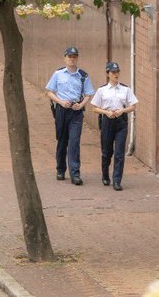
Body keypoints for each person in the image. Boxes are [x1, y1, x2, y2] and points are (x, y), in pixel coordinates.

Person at [45, 46, 95, 186]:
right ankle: (60, 169)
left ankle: (75, 173)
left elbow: (89, 94)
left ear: (77, 58)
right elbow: (49, 91)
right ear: (65, 58)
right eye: (69, 56)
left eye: (74, 57)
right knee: (62, 141)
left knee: (74, 142)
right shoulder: (58, 74)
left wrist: (81, 104)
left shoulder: (83, 76)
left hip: (76, 112)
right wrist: (60, 101)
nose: (72, 59)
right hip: (61, 110)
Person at [91, 61, 137, 190]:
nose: (116, 74)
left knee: (119, 153)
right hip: (107, 121)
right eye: (113, 72)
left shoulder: (125, 89)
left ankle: (117, 180)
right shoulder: (102, 90)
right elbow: (94, 108)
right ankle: (105, 175)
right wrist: (106, 112)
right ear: (108, 74)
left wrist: (122, 110)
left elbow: (133, 106)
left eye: (117, 72)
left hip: (121, 121)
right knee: (107, 152)